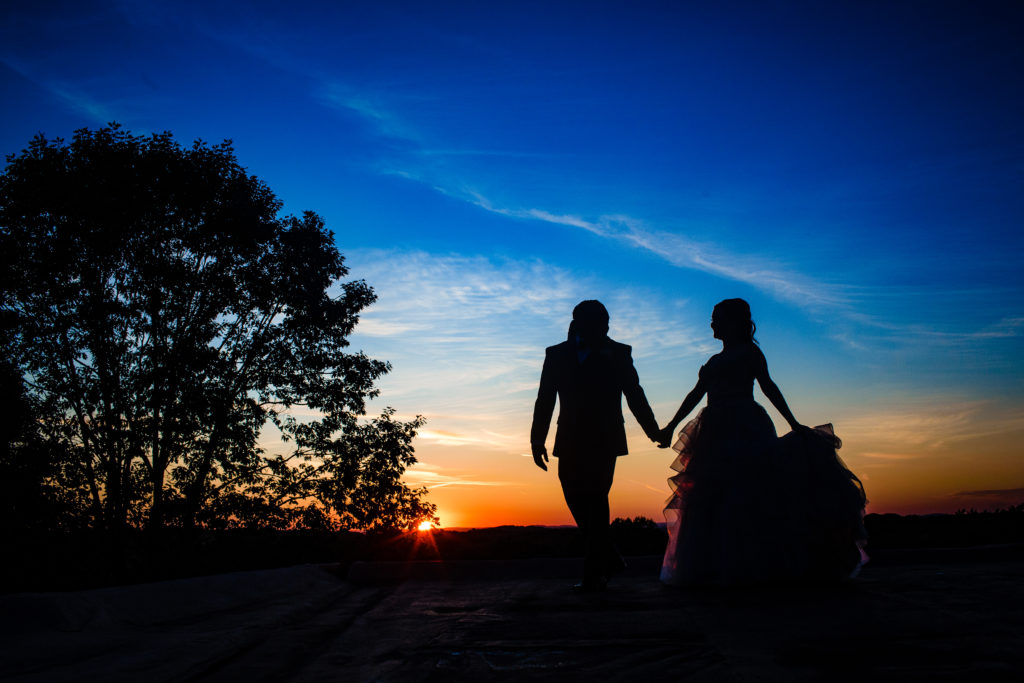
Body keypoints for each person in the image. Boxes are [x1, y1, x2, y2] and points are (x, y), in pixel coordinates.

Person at [657, 298, 867, 585]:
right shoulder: (713, 361)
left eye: (717, 318)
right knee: (715, 497)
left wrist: (793, 423)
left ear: (733, 322)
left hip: (744, 424)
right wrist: (670, 427)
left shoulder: (749, 353)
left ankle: (755, 564)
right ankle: (716, 565)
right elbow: (695, 395)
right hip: (714, 429)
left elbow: (769, 387)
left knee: (749, 494)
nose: (712, 324)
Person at [531, 300, 661, 592]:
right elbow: (545, 398)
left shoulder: (619, 353)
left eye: (606, 324)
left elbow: (634, 395)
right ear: (580, 324)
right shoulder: (557, 354)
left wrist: (652, 430)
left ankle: (594, 575)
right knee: (573, 494)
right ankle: (610, 556)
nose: (605, 329)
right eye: (598, 324)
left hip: (606, 437)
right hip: (569, 437)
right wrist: (537, 439)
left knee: (597, 498)